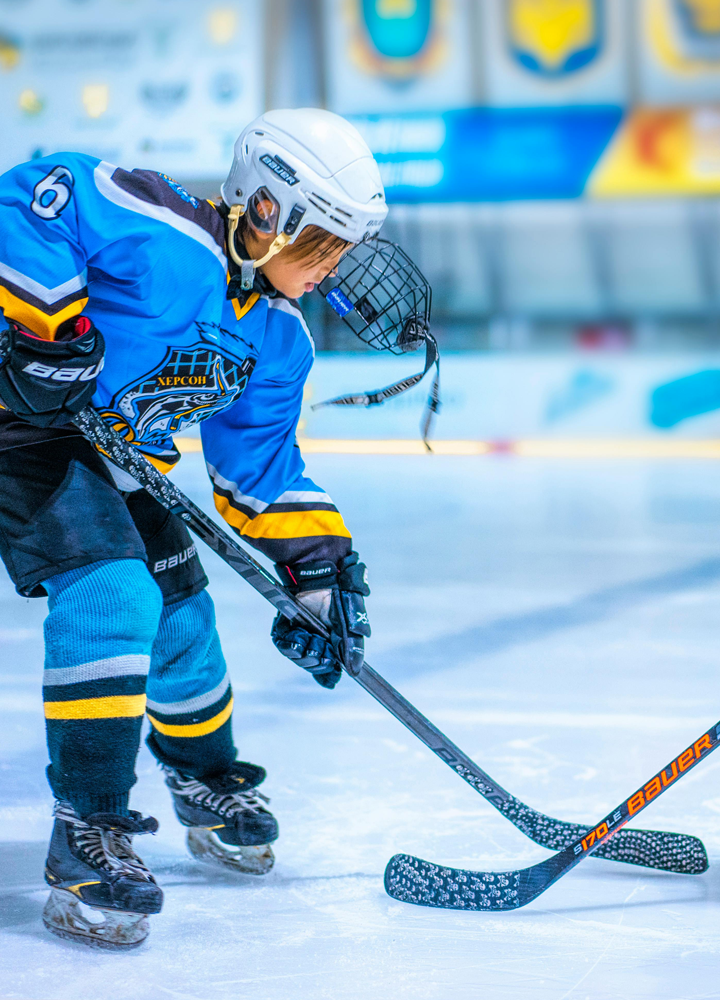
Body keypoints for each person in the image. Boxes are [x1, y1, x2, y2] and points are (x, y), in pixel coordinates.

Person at [0, 108, 422, 949]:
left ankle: (201, 779)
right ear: (265, 210)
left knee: (184, 619)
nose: (332, 267)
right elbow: (33, 197)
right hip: (21, 426)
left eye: (342, 249)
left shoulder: (279, 339)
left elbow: (259, 472)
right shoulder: (162, 233)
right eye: (322, 242)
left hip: (115, 450)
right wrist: (50, 328)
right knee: (114, 594)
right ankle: (88, 828)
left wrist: (318, 575)